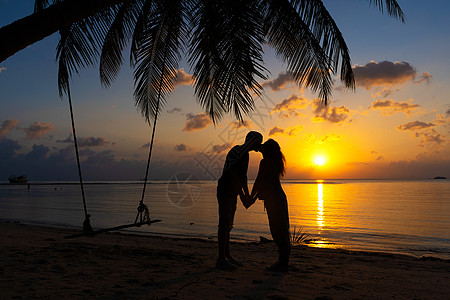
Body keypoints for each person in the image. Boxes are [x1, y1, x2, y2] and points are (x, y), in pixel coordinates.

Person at [216, 131, 263, 270]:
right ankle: (221, 258)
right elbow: (233, 174)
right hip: (225, 190)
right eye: (258, 142)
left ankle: (227, 256)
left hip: (233, 192)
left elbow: (243, 177)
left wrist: (246, 194)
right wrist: (243, 196)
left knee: (229, 223)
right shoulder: (236, 151)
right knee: (224, 223)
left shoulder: (246, 155)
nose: (258, 145)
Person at [248, 139, 290, 272]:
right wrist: (257, 146)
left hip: (274, 200)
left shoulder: (265, 162)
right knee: (282, 231)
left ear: (268, 151)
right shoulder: (275, 162)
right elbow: (261, 148)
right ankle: (283, 261)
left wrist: (250, 198)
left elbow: (258, 181)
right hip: (280, 198)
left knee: (277, 231)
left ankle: (282, 263)